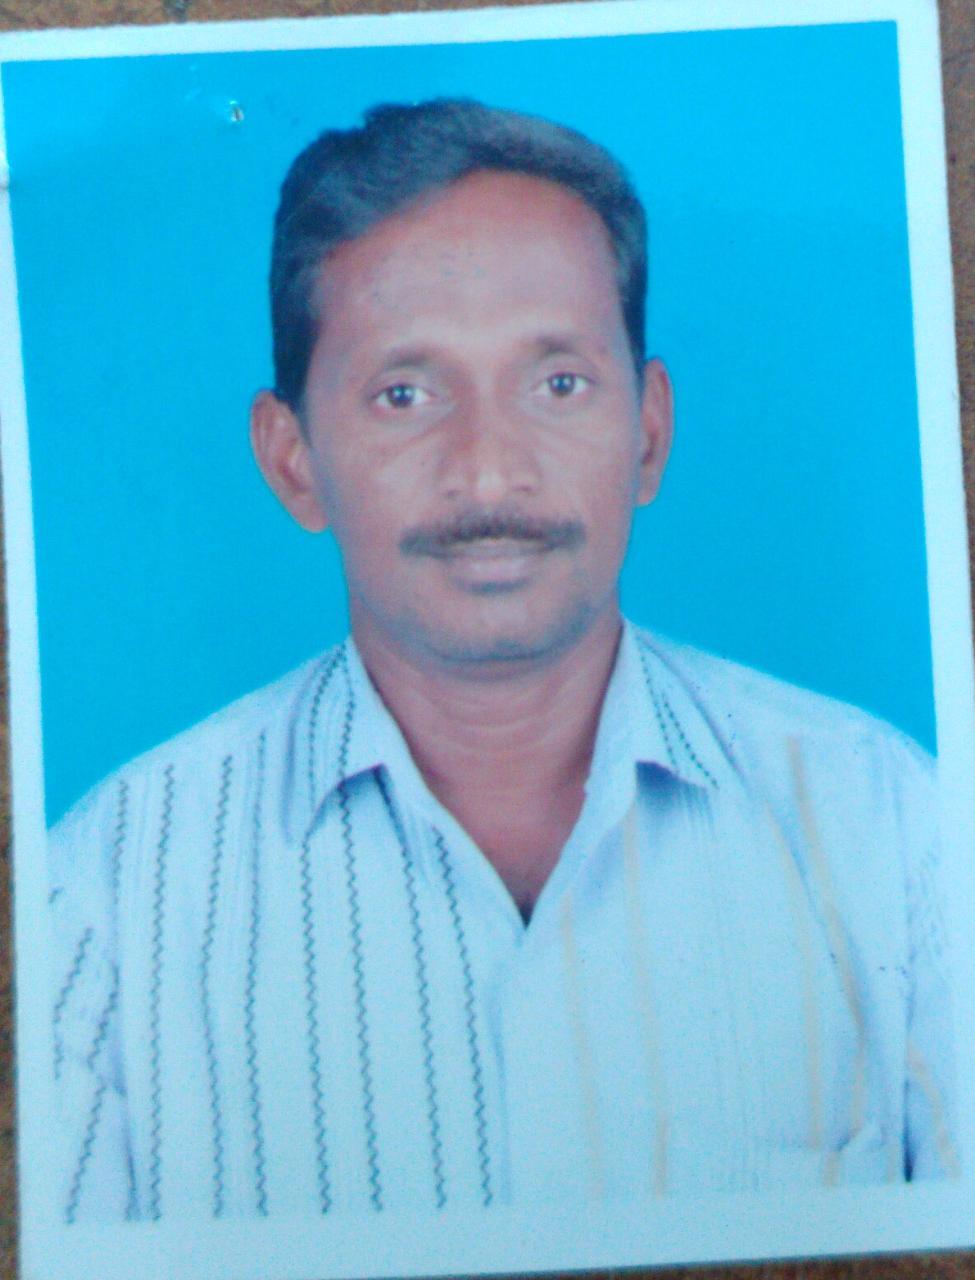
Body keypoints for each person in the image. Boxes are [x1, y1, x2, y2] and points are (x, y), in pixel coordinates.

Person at [49, 99, 956, 1223]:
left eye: (557, 383)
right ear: (293, 461)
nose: (488, 473)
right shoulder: (104, 896)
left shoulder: (892, 829)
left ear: (648, 432)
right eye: (405, 394)